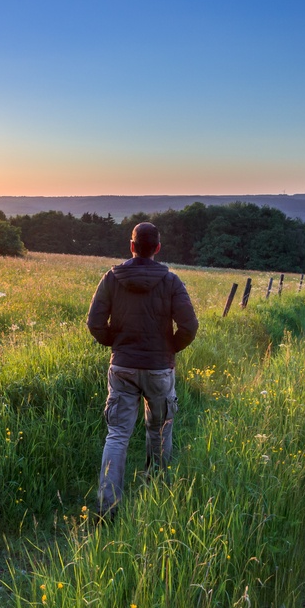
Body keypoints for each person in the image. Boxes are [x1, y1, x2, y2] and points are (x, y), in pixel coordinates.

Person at [86, 222, 199, 520]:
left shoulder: (112, 278)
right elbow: (189, 326)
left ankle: (106, 508)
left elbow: (95, 323)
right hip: (160, 368)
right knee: (160, 432)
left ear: (132, 246)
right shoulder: (171, 280)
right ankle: (157, 497)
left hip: (122, 367)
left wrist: (118, 343)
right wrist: (168, 349)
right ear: (158, 248)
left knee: (118, 435)